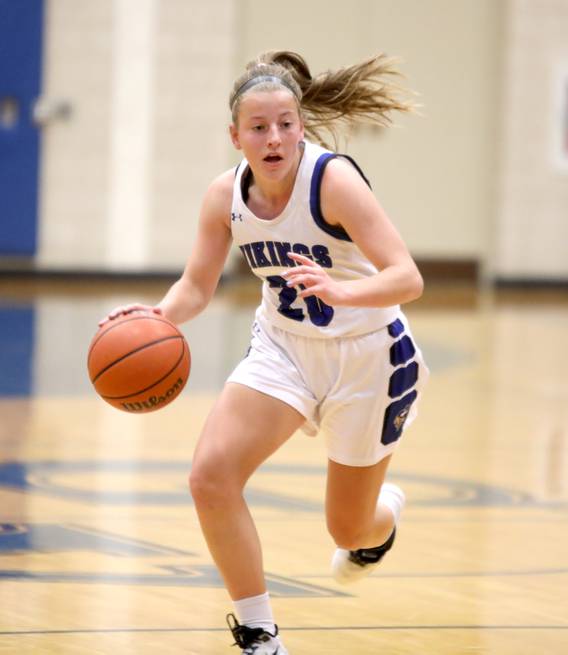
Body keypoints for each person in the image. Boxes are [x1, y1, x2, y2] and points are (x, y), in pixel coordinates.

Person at [100, 50, 428, 655]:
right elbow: (197, 286)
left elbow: (408, 277)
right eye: (258, 127)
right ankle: (260, 635)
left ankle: (382, 519)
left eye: (285, 123)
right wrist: (155, 316)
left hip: (369, 356)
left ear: (301, 127)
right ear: (236, 135)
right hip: (284, 348)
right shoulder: (224, 196)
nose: (273, 137)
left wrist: (343, 288)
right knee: (210, 478)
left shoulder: (333, 181)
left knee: (347, 527)